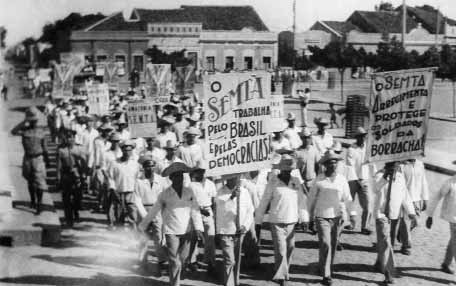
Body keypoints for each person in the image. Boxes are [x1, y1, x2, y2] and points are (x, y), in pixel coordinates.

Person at [139, 162, 204, 286]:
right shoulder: (165, 194)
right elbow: (154, 211)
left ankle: (175, 278)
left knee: (183, 260)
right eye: (177, 176)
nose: (180, 179)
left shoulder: (189, 192)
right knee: (175, 261)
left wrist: (199, 228)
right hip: (171, 231)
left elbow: (195, 211)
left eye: (181, 176)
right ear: (171, 178)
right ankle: (175, 284)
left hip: (187, 230)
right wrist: (143, 225)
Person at [255, 155, 307, 286]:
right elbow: (264, 202)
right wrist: (258, 221)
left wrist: (304, 218)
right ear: (280, 170)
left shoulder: (295, 181)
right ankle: (281, 277)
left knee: (290, 247)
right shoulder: (273, 182)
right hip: (276, 220)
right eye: (285, 170)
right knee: (281, 249)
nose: (287, 172)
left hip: (291, 220)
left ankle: (284, 270)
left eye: (289, 170)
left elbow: (301, 201)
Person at [308, 150, 352, 286]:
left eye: (335, 163)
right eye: (330, 163)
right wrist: (309, 218)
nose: (333, 165)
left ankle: (326, 268)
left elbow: (347, 198)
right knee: (325, 244)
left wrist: (351, 215)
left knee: (332, 245)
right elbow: (311, 200)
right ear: (325, 165)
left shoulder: (342, 179)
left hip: (337, 217)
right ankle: (326, 275)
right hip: (322, 216)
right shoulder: (319, 180)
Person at [373, 161, 417, 285]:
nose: (396, 167)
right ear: (387, 165)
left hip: (394, 215)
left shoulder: (400, 177)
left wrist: (411, 211)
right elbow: (375, 189)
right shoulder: (379, 175)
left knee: (388, 243)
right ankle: (389, 273)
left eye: (397, 165)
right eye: (392, 165)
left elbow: (405, 195)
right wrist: (385, 177)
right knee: (386, 242)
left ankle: (379, 263)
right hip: (381, 215)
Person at [215, 174, 254, 286]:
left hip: (239, 232)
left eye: (236, 177)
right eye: (231, 178)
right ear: (227, 179)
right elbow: (221, 209)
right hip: (226, 231)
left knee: (236, 260)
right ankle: (229, 284)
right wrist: (232, 197)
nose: (234, 180)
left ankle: (234, 281)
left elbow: (250, 211)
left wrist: (245, 226)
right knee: (230, 260)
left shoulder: (244, 192)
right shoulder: (220, 192)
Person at [11, 107, 49, 215]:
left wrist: (48, 160)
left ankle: (39, 204)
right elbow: (13, 131)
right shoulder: (24, 131)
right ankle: (33, 199)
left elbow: (45, 148)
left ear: (36, 121)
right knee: (30, 180)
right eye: (31, 120)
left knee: (39, 182)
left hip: (38, 158)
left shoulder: (41, 132)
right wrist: (24, 121)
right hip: (27, 158)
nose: (32, 122)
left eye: (34, 121)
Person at [135, 156, 168, 275]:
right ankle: (142, 262)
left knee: (159, 237)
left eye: (152, 165)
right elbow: (137, 199)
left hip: (158, 210)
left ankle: (161, 262)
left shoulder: (161, 180)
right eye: (147, 166)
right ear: (143, 168)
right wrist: (145, 216)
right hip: (144, 209)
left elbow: (165, 197)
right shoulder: (138, 181)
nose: (150, 168)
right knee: (143, 238)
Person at [188, 161, 217, 274]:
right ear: (195, 172)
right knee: (194, 238)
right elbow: (189, 202)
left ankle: (211, 262)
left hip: (208, 211)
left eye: (202, 171)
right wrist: (200, 210)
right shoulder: (191, 185)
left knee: (211, 237)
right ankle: (191, 261)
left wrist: (212, 213)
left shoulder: (210, 184)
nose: (200, 173)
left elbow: (214, 200)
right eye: (198, 171)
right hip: (195, 212)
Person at [426, 169, 456, 275]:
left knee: (454, 240)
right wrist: (430, 215)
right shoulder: (450, 183)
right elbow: (436, 197)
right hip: (453, 218)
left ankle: (446, 264)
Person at [397, 158, 429, 255]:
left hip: (417, 199)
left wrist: (425, 198)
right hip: (405, 198)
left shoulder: (420, 164)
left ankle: (400, 234)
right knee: (406, 222)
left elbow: (423, 181)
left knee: (416, 222)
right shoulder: (402, 165)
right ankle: (406, 246)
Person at [56, 129, 87, 228]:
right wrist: (58, 179)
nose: (70, 139)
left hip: (77, 175)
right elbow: (58, 166)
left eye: (72, 137)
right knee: (66, 198)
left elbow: (84, 163)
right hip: (66, 175)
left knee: (77, 197)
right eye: (68, 137)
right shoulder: (61, 150)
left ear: (74, 138)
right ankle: (69, 219)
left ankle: (76, 210)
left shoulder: (79, 149)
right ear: (65, 139)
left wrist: (84, 174)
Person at [345, 127, 373, 235]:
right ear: (356, 137)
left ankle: (365, 226)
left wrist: (375, 175)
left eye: (363, 136)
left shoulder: (368, 149)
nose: (362, 138)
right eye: (360, 136)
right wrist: (356, 180)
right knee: (350, 203)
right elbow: (350, 166)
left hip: (364, 180)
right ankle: (351, 223)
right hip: (352, 180)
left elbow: (372, 163)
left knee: (368, 204)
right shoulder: (351, 149)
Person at [107, 140, 140, 228]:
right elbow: (110, 178)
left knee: (133, 217)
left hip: (131, 193)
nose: (127, 152)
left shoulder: (135, 164)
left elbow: (138, 178)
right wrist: (113, 190)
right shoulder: (114, 163)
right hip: (119, 193)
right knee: (119, 216)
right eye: (125, 150)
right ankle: (120, 235)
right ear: (122, 150)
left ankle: (134, 236)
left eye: (129, 150)